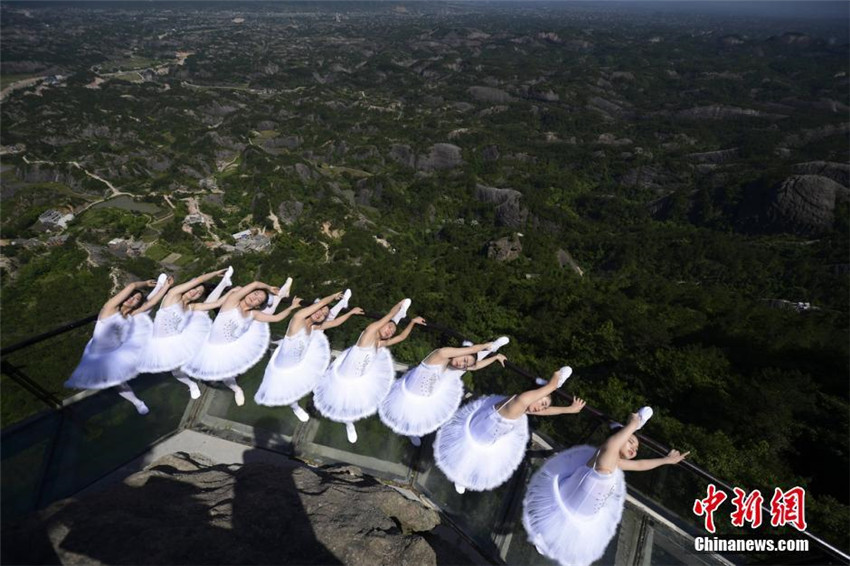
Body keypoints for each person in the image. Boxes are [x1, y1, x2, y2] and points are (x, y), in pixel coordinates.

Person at [522, 408, 689, 566]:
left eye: (636, 448)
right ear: (620, 437)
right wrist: (633, 424)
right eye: (630, 442)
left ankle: (546, 542)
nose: (634, 449)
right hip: (571, 503)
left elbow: (640, 465)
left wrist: (666, 461)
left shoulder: (614, 463)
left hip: (580, 513)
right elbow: (612, 445)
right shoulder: (605, 456)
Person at [434, 366, 585, 494]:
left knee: (476, 459)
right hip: (478, 432)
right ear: (535, 393)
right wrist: (558, 377)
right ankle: (457, 473)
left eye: (544, 405)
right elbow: (549, 387)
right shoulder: (519, 402)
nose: (541, 407)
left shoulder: (523, 407)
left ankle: (459, 474)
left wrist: (569, 409)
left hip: (488, 436)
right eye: (542, 401)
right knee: (465, 454)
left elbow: (546, 411)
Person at [313, 298, 424, 443]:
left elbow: (401, 337)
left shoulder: (379, 344)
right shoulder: (369, 334)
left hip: (362, 378)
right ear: (381, 326)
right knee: (344, 406)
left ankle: (406, 428)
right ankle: (349, 424)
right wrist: (399, 306)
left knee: (389, 400)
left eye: (392, 331)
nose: (390, 332)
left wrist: (412, 322)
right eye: (388, 328)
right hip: (344, 378)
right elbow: (388, 317)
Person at [181, 280, 299, 406]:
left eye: (258, 300)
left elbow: (276, 318)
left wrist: (292, 307)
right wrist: (269, 287)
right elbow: (254, 284)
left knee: (265, 317)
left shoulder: (253, 313)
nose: (254, 298)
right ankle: (237, 389)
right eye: (255, 294)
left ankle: (280, 294)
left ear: (257, 305)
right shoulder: (232, 302)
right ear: (248, 293)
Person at [255, 289, 364, 422]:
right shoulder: (298, 319)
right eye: (319, 310)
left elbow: (334, 322)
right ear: (313, 308)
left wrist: (351, 312)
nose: (320, 314)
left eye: (324, 314)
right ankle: (296, 407)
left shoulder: (313, 328)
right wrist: (333, 296)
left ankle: (342, 411)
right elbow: (321, 306)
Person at [378, 337, 510, 446]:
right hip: (410, 391)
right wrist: (483, 346)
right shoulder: (440, 354)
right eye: (463, 359)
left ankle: (494, 347)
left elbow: (474, 366)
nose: (461, 364)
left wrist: (495, 357)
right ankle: (491, 346)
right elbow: (470, 353)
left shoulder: (458, 365)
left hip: (431, 390)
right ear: (460, 351)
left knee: (463, 367)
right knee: (405, 414)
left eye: (465, 363)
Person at [65, 277, 169, 414]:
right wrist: (145, 283)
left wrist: (165, 287)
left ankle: (138, 400)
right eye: (131, 296)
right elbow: (132, 285)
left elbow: (152, 303)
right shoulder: (109, 309)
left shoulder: (130, 315)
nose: (132, 299)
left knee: (144, 312)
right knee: (117, 381)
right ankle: (137, 402)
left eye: (136, 299)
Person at [137, 268, 232, 399]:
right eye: (194, 289)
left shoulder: (191, 307)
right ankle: (192, 384)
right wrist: (215, 274)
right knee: (175, 369)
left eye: (199, 293)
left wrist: (232, 292)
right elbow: (198, 280)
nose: (195, 292)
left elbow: (216, 303)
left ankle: (224, 283)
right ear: (188, 287)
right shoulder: (173, 295)